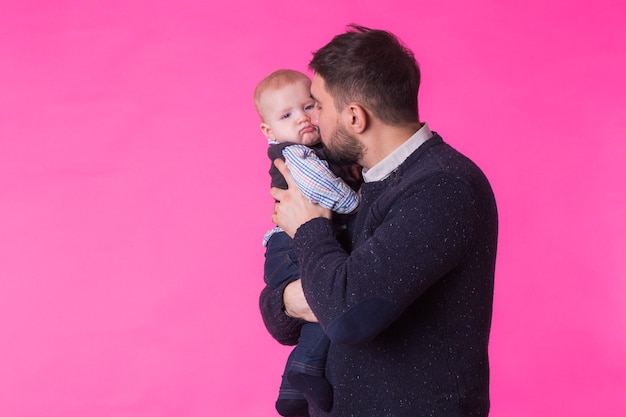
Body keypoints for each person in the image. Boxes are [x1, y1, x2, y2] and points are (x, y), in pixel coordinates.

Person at [260, 25, 498, 417]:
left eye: (316, 104)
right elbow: (279, 316)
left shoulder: (442, 187)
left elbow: (344, 317)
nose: (310, 119)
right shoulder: (364, 180)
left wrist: (308, 227)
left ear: (354, 117)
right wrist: (292, 298)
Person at [254, 69, 361, 416]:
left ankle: (297, 378)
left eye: (309, 106)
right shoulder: (297, 156)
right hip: (289, 247)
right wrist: (358, 203)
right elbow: (322, 191)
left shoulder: (320, 149)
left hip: (300, 241)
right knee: (328, 297)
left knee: (325, 304)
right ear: (269, 131)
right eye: (287, 115)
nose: (302, 118)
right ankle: (305, 368)